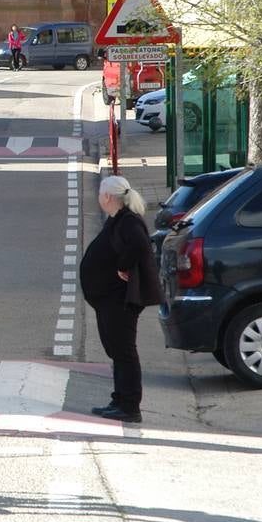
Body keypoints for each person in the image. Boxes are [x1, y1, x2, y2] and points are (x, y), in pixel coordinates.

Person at [79, 174, 160, 423]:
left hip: (121, 300)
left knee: (124, 351)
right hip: (110, 299)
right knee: (116, 350)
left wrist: (123, 266)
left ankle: (130, 406)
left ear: (107, 197)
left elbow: (140, 245)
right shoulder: (119, 219)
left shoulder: (128, 221)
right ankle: (120, 399)